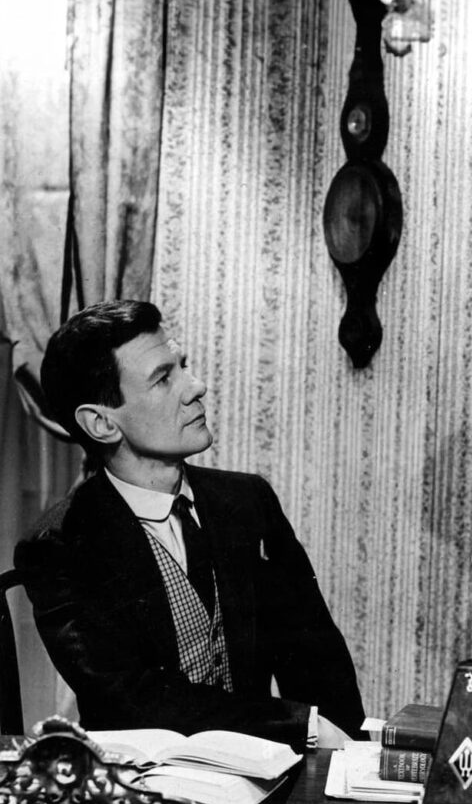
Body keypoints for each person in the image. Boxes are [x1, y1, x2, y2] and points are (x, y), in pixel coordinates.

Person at [15, 300, 365, 751]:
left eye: (183, 365)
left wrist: (350, 764)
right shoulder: (61, 544)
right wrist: (300, 726)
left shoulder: (247, 501)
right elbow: (132, 701)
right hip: (142, 784)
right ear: (101, 423)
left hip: (268, 773)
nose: (197, 386)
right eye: (163, 378)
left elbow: (316, 655)